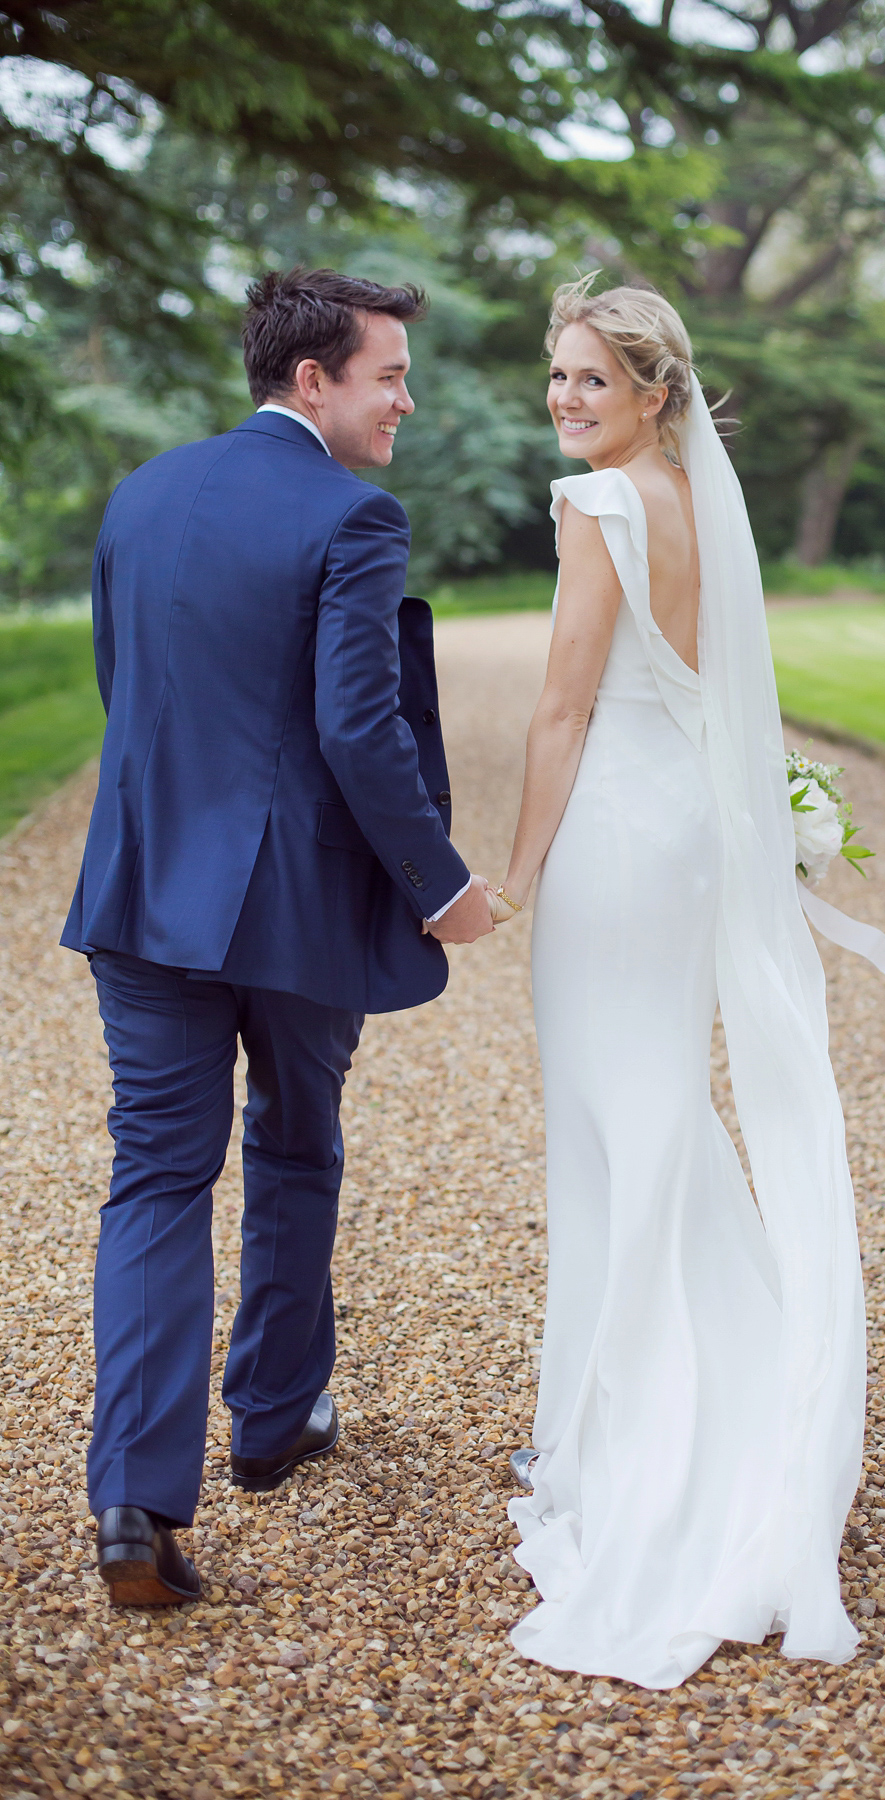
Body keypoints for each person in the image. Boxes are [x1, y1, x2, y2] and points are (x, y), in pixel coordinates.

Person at [62, 266, 494, 1607]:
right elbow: (357, 731)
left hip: (140, 895)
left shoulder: (139, 496)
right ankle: (270, 1423)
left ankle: (133, 1501)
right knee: (296, 1143)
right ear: (314, 381)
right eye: (389, 376)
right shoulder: (355, 516)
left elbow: (122, 689)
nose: (405, 403)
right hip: (293, 907)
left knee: (154, 1175)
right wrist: (442, 882)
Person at [489, 279, 867, 1688]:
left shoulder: (599, 509)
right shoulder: (701, 503)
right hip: (690, 836)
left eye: (593, 381)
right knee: (652, 1107)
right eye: (559, 380)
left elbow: (565, 705)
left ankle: (639, 1430)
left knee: (616, 1121)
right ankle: (691, 1389)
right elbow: (722, 692)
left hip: (614, 847)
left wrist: (518, 875)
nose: (567, 401)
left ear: (658, 392)